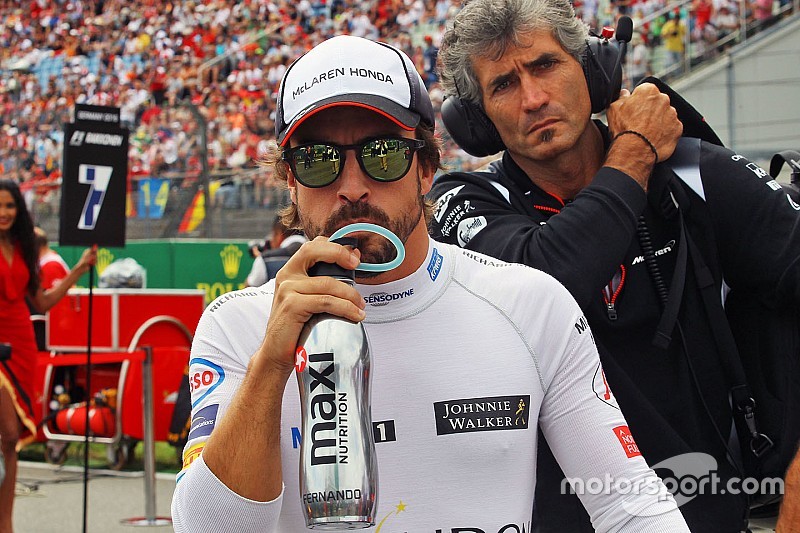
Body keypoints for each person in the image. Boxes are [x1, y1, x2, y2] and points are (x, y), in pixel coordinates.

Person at [171, 35, 690, 532]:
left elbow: (630, 506)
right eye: (318, 161)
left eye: (382, 155)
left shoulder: (530, 303)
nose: (351, 188)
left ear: (425, 167)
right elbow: (204, 528)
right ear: (291, 180)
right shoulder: (238, 324)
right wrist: (271, 364)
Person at [430, 0, 800, 531]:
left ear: (593, 70)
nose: (534, 99)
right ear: (476, 121)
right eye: (503, 85)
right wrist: (634, 151)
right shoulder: (467, 198)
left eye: (545, 66)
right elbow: (544, 284)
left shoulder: (692, 174)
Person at [0, 178, 96, 533]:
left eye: (9, 206)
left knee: (12, 444)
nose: (4, 213)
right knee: (7, 432)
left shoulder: (24, 247)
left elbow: (40, 303)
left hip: (23, 345)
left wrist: (79, 270)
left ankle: (6, 522)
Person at [244, 215, 307, 287]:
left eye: (273, 234)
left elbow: (248, 288)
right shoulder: (318, 253)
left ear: (279, 234)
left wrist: (262, 261)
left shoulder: (266, 259)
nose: (271, 240)